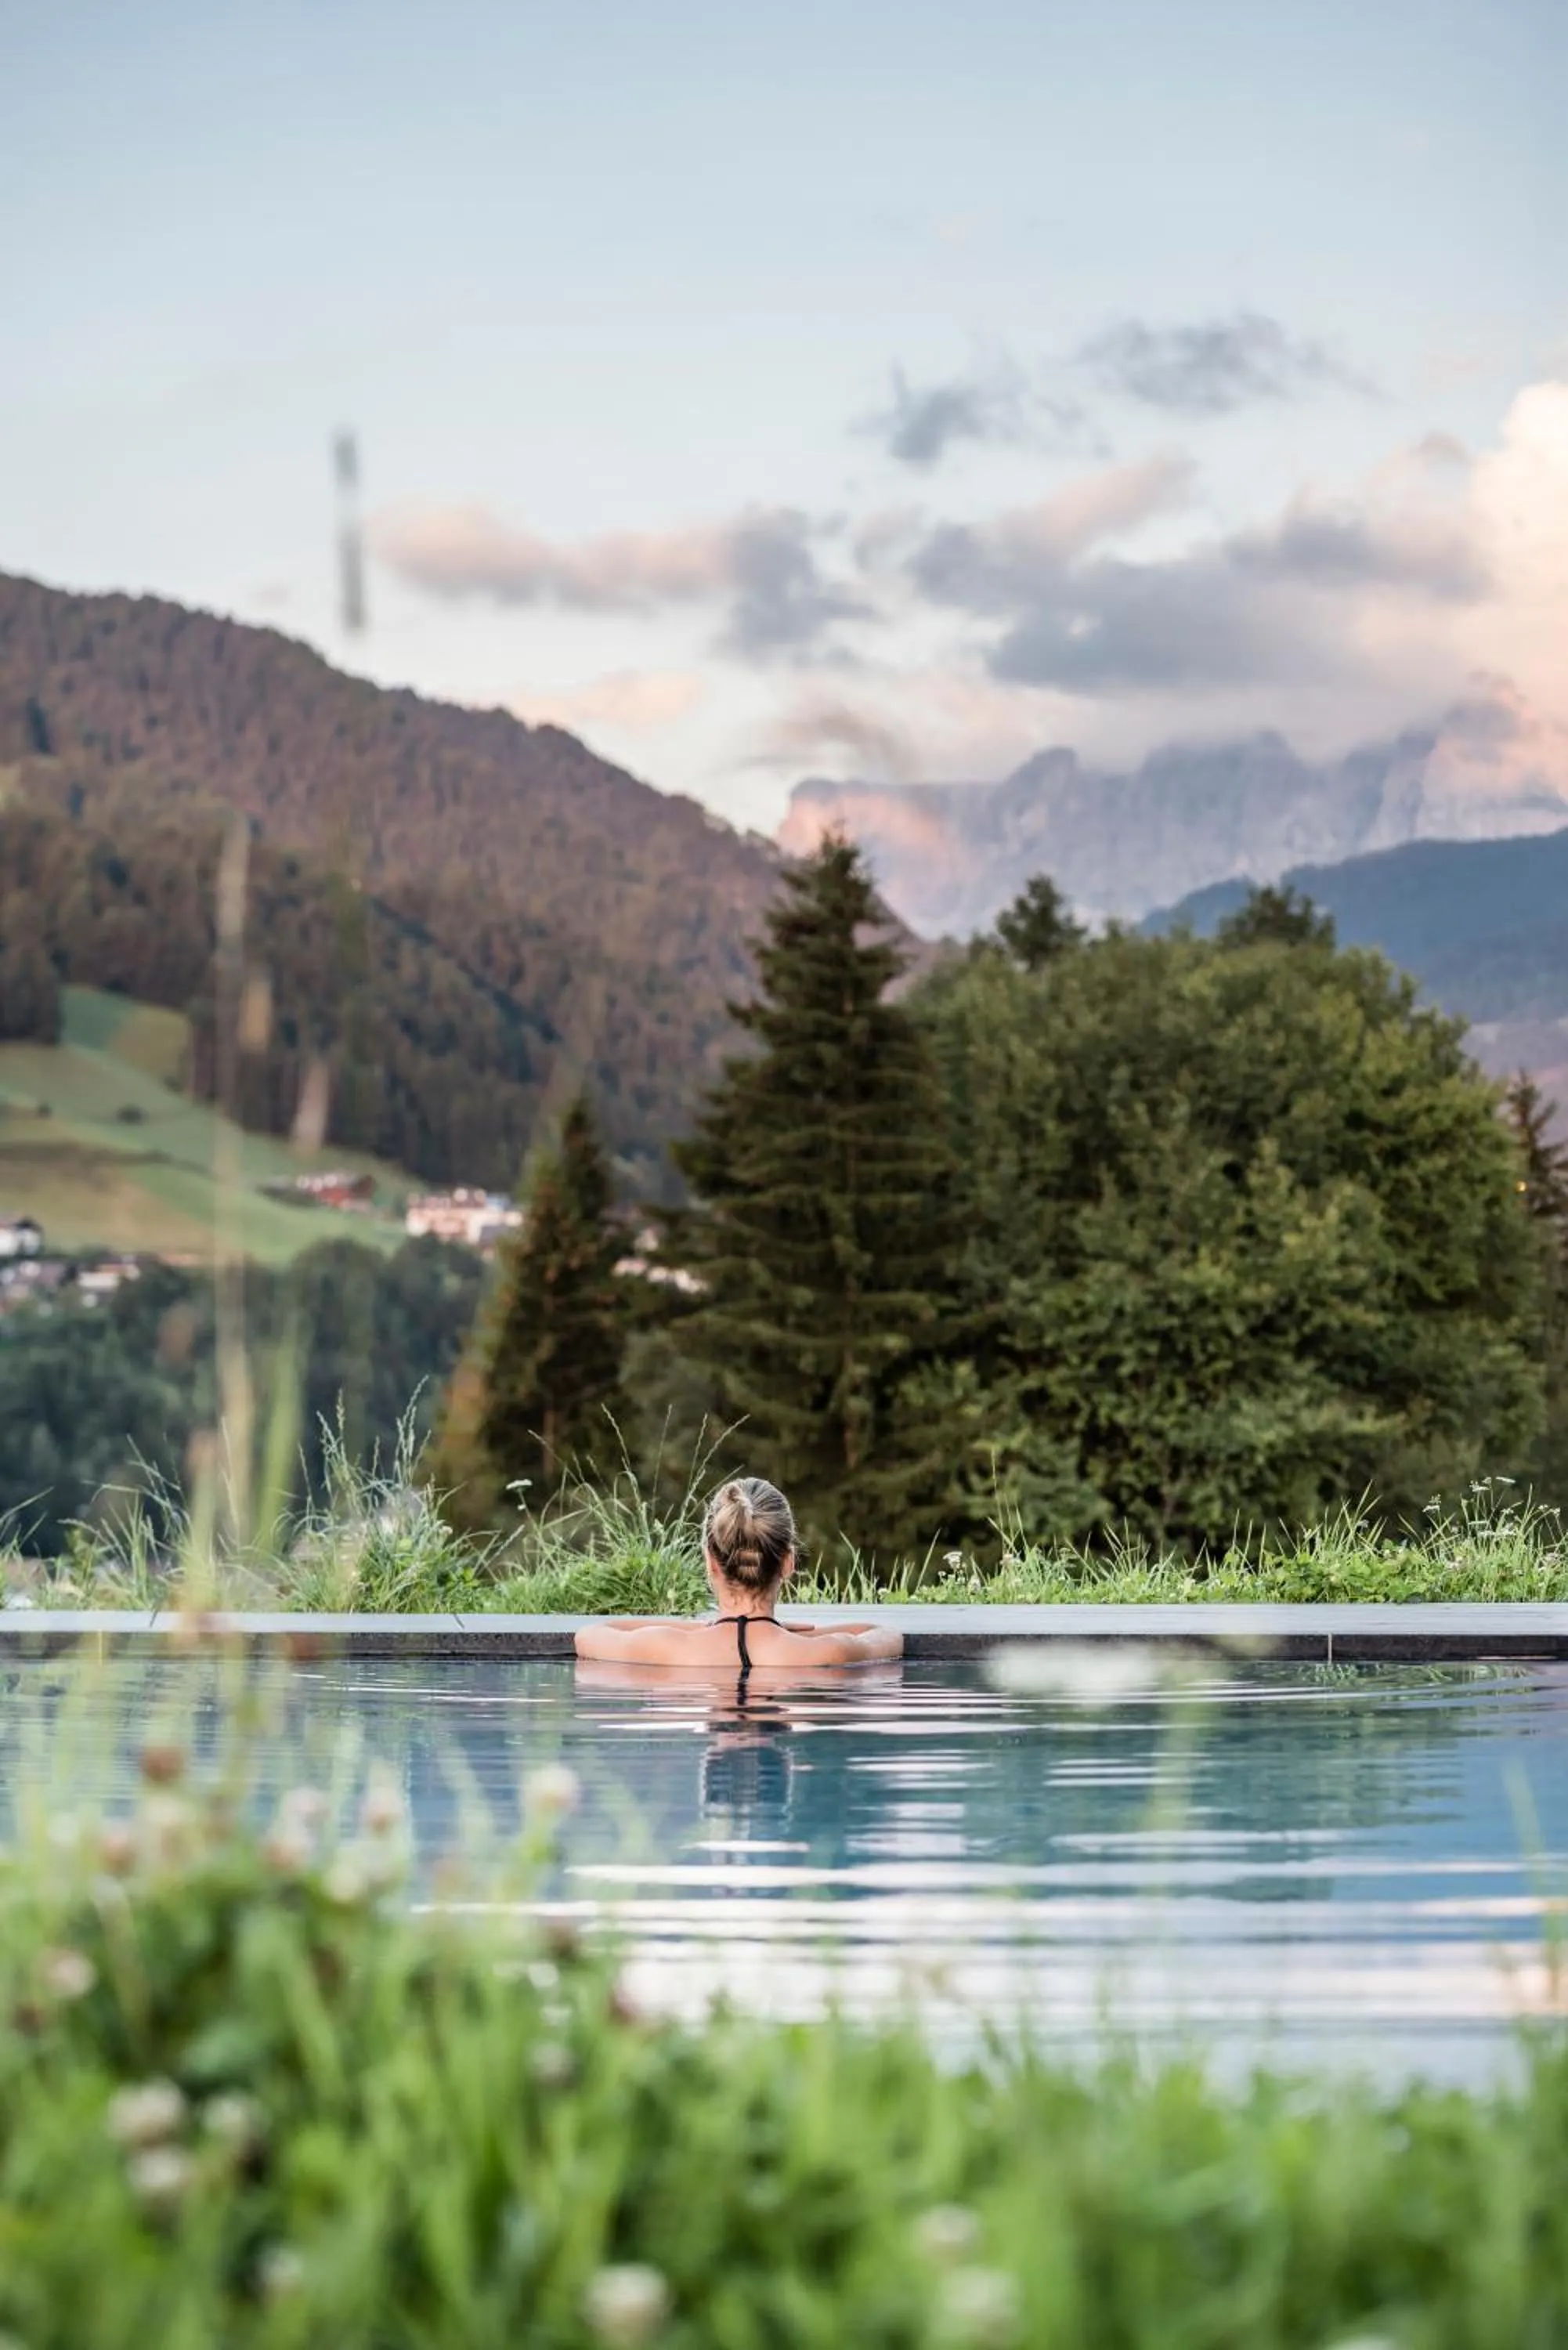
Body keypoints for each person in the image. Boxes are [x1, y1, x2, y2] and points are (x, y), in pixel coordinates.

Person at [572, 1476, 902, 1674]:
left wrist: (704, 1629)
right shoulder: (827, 1652)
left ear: (711, 1562)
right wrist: (782, 1633)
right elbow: (885, 1634)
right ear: (787, 1563)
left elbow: (589, 1634)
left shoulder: (664, 1647)